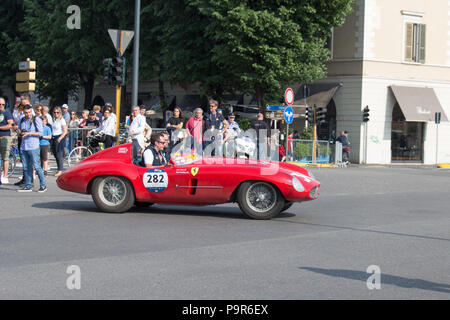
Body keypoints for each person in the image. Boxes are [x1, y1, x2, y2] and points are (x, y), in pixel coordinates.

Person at [17, 105, 47, 193]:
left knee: (36, 166)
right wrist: (18, 132)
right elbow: (19, 130)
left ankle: (43, 185)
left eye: (29, 112)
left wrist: (29, 133)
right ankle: (28, 185)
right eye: (26, 112)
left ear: (31, 111)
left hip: (33, 146)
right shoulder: (22, 119)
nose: (27, 114)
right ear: (23, 112)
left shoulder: (36, 119)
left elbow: (40, 133)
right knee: (26, 167)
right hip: (24, 146)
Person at [0, 97, 14, 184]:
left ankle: (5, 176)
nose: (1, 106)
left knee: (5, 158)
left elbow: (10, 125)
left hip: (5, 137)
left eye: (3, 104)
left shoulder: (7, 113)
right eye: (0, 104)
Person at [51, 106, 68, 177]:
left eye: (57, 112)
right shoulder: (54, 120)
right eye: (54, 112)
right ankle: (58, 169)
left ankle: (60, 170)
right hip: (54, 137)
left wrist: (60, 138)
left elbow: (65, 131)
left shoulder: (62, 120)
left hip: (59, 137)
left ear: (60, 113)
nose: (56, 114)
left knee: (59, 155)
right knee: (55, 154)